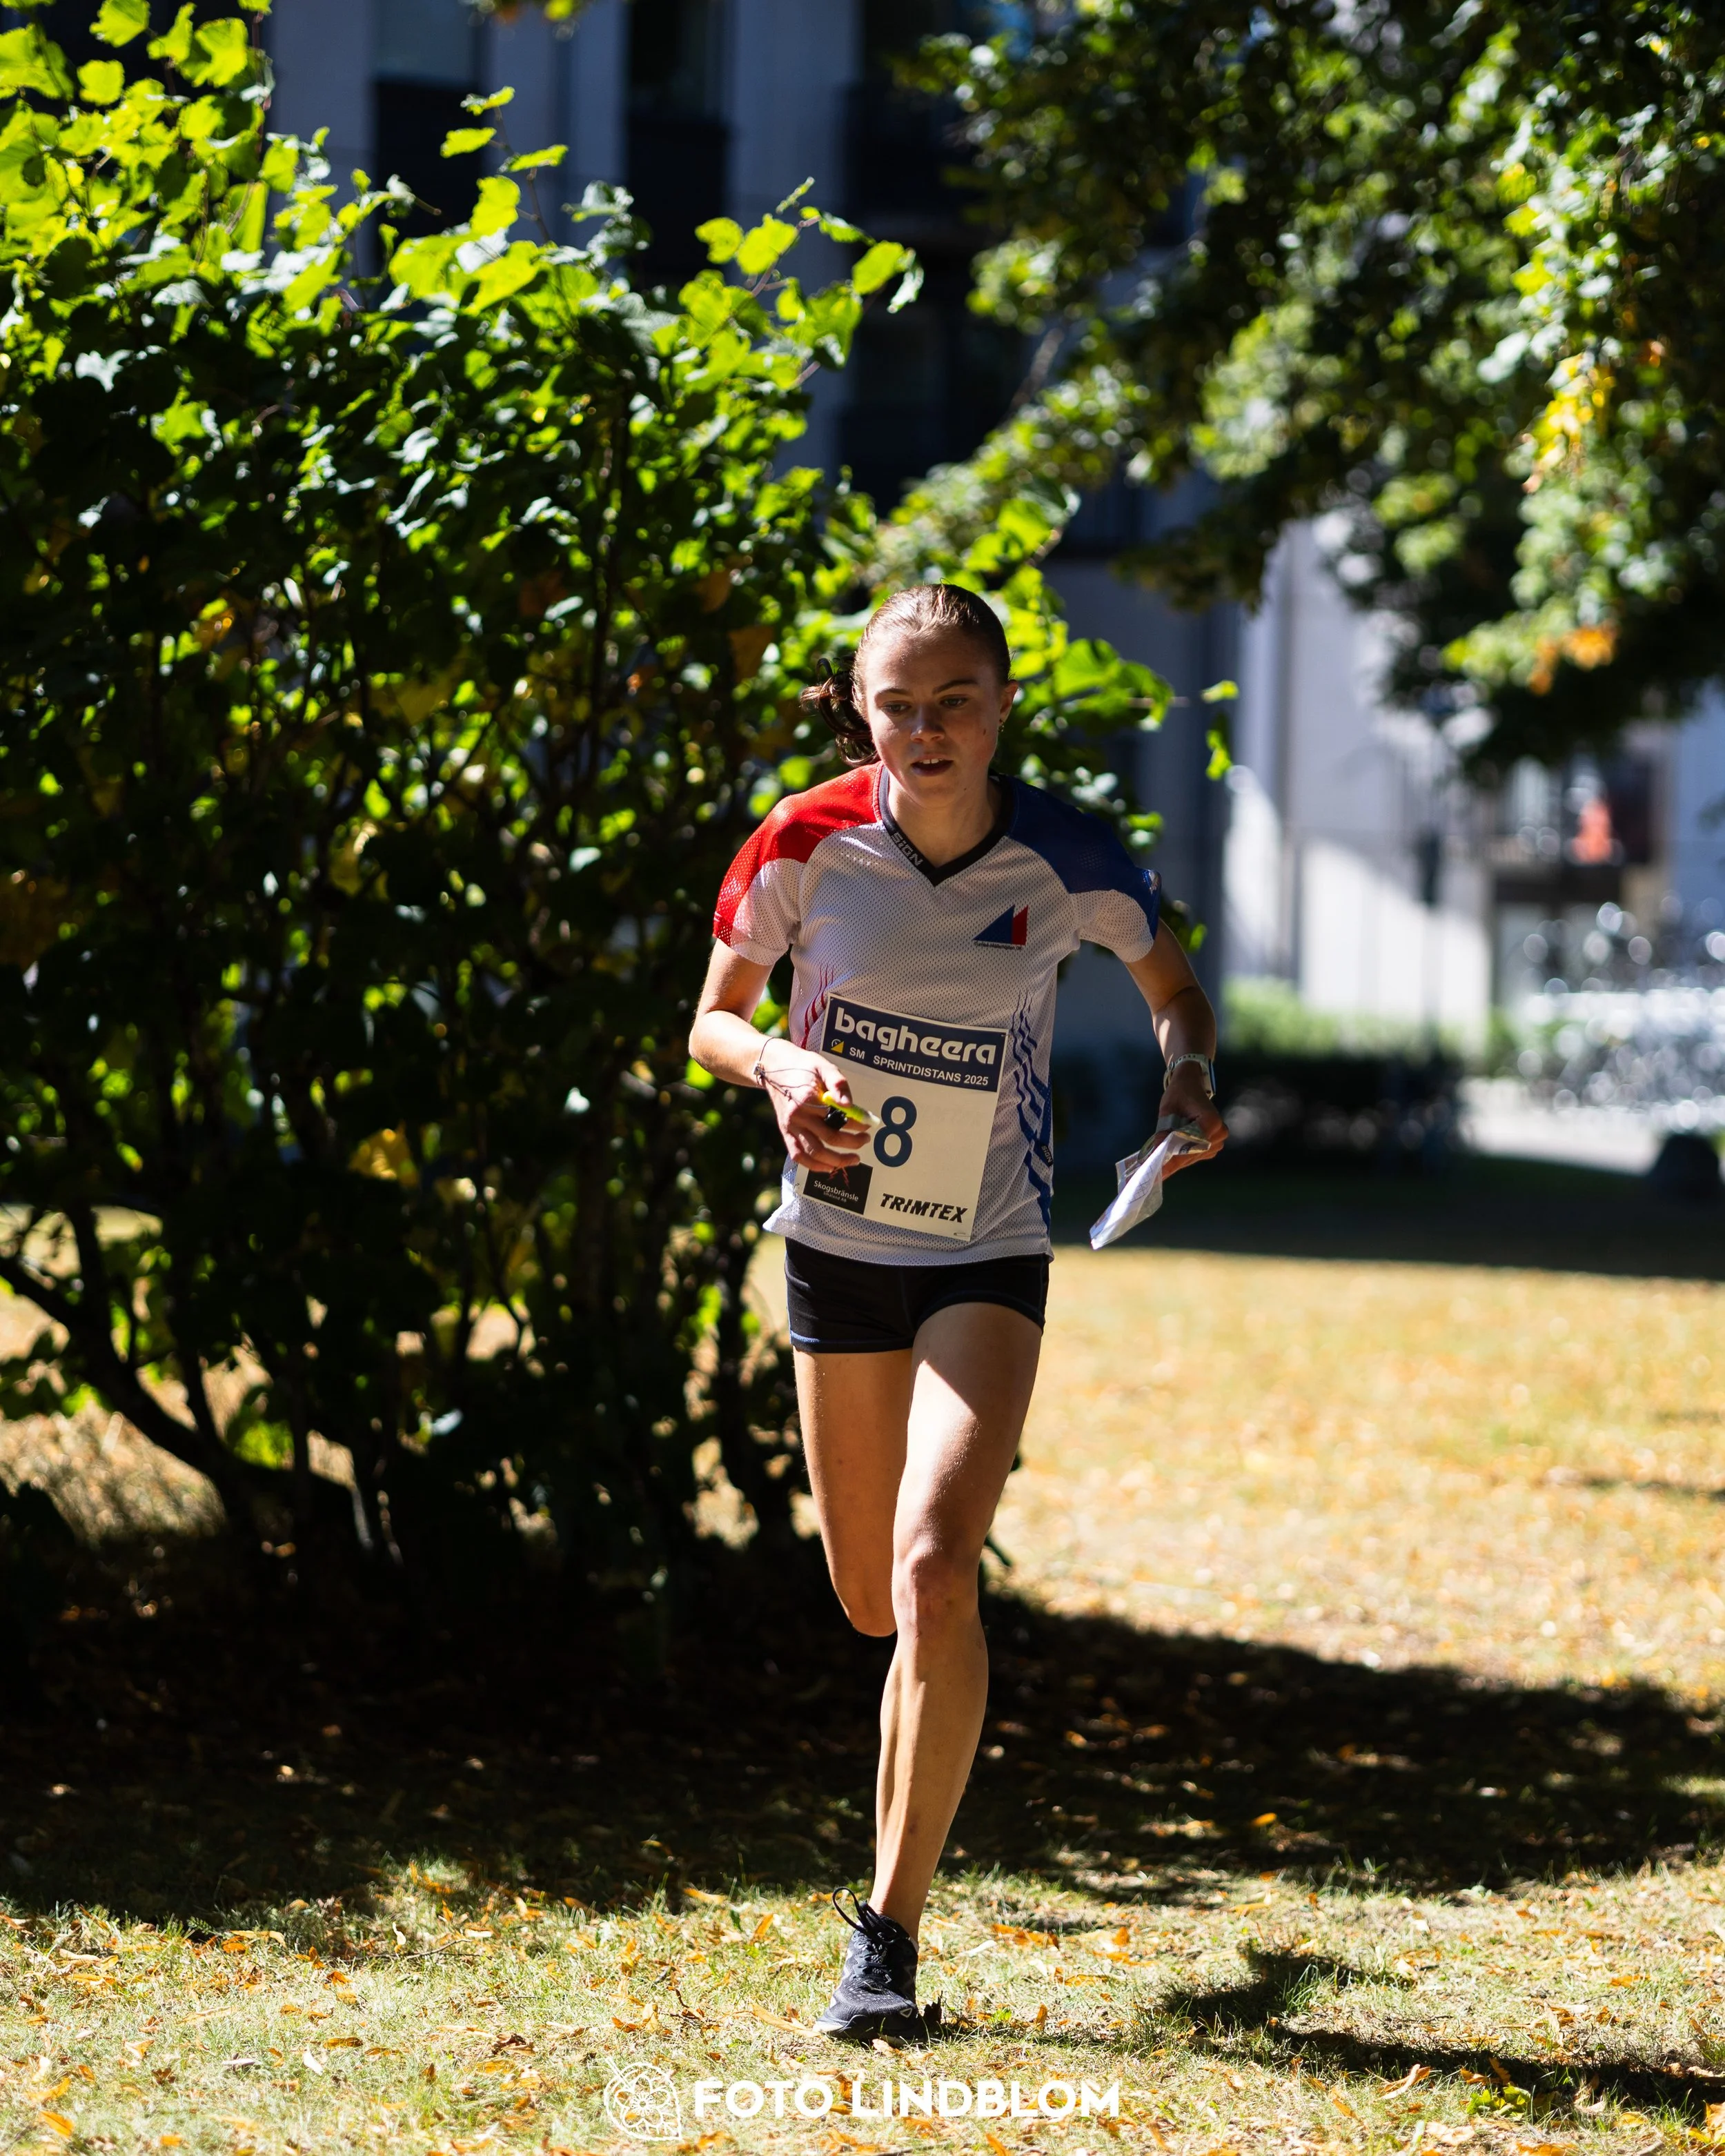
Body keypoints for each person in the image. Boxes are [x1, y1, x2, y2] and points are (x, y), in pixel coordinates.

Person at [688, 583, 1225, 2040]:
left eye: (953, 701)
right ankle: (889, 1880)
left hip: (985, 1250)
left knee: (935, 1567)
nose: (923, 730)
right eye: (894, 703)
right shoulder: (802, 842)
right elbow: (711, 1018)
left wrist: (1184, 1079)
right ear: (857, 707)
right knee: (869, 1596)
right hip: (837, 1248)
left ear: (999, 705)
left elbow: (1172, 988)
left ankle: (887, 1938)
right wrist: (781, 1073)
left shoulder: (1063, 855)